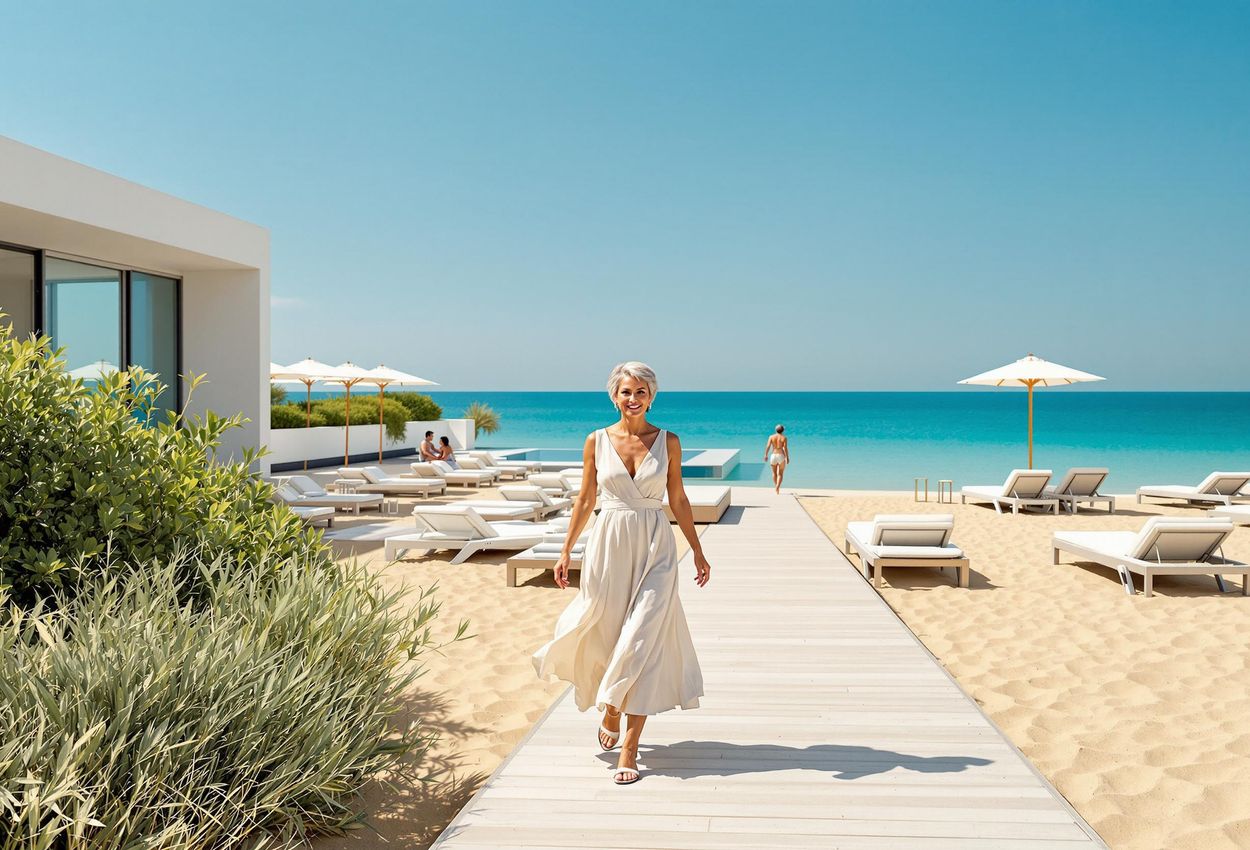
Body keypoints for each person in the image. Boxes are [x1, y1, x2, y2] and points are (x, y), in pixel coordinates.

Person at [533, 361, 709, 786]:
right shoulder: (596, 440)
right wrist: (565, 551)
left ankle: (627, 744)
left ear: (653, 396)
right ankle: (612, 705)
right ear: (614, 396)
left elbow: (679, 499)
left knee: (643, 636)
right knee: (612, 634)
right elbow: (584, 498)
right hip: (608, 545)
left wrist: (698, 550)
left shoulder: (669, 441)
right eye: (626, 391)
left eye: (642, 392)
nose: (634, 399)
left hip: (656, 546)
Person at [765, 424, 790, 494]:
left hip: (773, 455)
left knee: (774, 473)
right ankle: (777, 487)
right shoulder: (784, 438)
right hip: (781, 455)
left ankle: (776, 487)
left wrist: (765, 455)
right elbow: (785, 448)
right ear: (783, 430)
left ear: (776, 430)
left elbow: (768, 446)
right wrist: (787, 457)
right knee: (780, 473)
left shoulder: (771, 437)